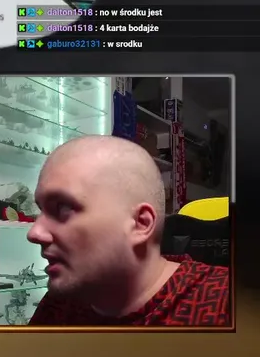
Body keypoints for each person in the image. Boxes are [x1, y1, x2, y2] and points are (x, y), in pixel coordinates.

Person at [26, 135, 231, 326]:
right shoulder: (60, 303)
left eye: (63, 208)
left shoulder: (228, 305)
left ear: (140, 223)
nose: (34, 233)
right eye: (41, 210)